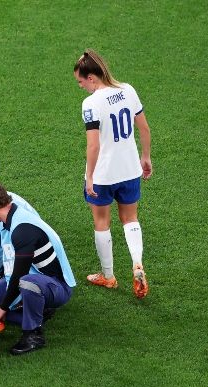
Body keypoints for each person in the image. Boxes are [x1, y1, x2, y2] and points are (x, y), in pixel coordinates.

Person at [74, 49, 152, 298]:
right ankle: (137, 263)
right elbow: (144, 128)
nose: (81, 87)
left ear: (92, 78)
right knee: (130, 219)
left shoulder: (91, 103)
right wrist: (146, 157)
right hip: (130, 168)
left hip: (104, 174)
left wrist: (89, 176)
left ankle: (108, 276)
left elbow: (94, 145)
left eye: (81, 81)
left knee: (101, 222)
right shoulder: (128, 90)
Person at [0, 182, 76, 355]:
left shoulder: (22, 229)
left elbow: (20, 274)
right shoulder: (10, 219)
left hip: (57, 286)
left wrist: (3, 307)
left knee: (28, 283)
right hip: (30, 278)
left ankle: (33, 334)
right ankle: (36, 314)